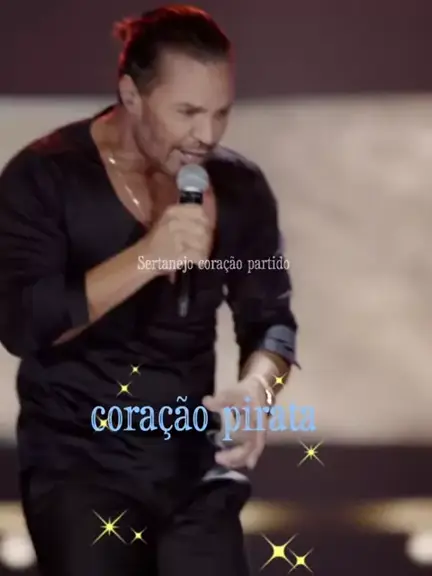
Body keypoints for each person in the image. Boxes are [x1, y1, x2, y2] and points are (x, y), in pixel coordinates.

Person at [0, 5, 299, 576]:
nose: (206, 135)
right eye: (187, 112)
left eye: (221, 112)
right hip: (79, 464)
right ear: (131, 96)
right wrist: (147, 257)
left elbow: (271, 320)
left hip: (192, 463)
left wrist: (258, 389)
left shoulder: (240, 187)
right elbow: (22, 324)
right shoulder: (44, 177)